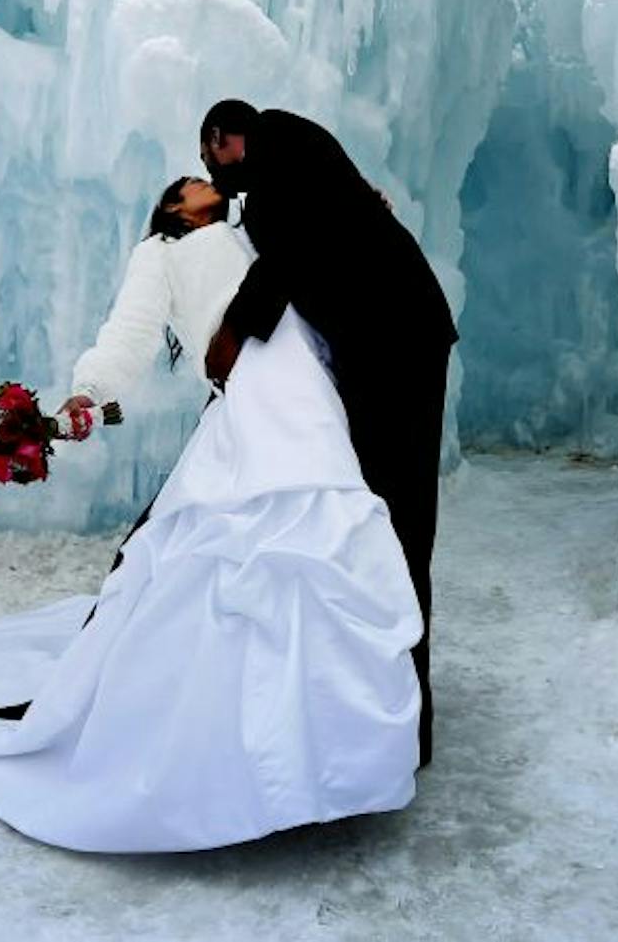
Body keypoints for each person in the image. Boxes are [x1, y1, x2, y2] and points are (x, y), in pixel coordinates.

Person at [0, 176, 424, 853]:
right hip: (255, 385)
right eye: (190, 183)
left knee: (316, 530)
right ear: (174, 208)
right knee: (256, 540)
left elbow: (310, 262)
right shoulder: (162, 251)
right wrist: (85, 396)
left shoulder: (251, 228)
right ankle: (240, 760)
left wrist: (359, 210)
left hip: (305, 377)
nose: (204, 180)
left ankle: (320, 751)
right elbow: (130, 334)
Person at [198, 99, 456, 767]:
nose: (212, 172)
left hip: (395, 345)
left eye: (209, 158)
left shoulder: (282, 149)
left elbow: (290, 249)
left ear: (226, 137)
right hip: (390, 345)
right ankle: (389, 708)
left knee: (396, 523)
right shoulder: (294, 154)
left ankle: (403, 720)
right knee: (385, 523)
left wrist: (232, 332)